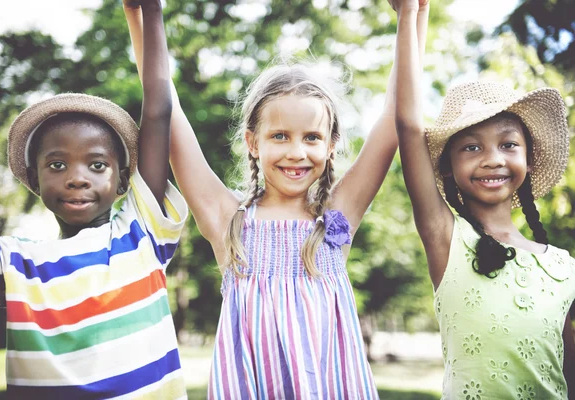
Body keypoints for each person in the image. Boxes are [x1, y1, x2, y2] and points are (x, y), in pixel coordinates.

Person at [126, 3, 429, 397]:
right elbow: (168, 109)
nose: (297, 152)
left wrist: (413, 13)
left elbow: (395, 115)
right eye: (280, 136)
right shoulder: (226, 218)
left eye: (312, 137)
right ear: (253, 142)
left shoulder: (338, 214)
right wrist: (142, 14)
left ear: (332, 145)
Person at [0, 0, 189, 398]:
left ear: (125, 180)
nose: (76, 178)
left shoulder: (141, 232)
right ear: (35, 180)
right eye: (57, 166)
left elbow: (158, 111)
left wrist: (151, 11)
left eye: (96, 165)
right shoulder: (16, 260)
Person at [392, 0, 575, 398]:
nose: (493, 159)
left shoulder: (564, 269)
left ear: (527, 156)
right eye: (471, 148)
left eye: (508, 144)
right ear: (447, 167)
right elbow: (408, 126)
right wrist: (411, 13)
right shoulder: (446, 238)